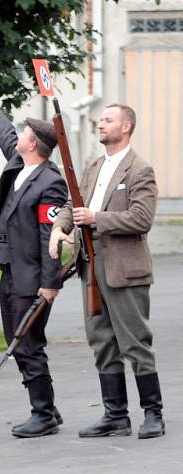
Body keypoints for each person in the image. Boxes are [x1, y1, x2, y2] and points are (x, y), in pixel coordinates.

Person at [49, 103, 164, 439]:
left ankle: (153, 413)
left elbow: (142, 219)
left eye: (108, 120)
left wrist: (96, 218)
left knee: (135, 342)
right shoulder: (93, 165)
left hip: (125, 268)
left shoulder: (139, 169)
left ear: (126, 126)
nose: (101, 125)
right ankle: (115, 415)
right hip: (91, 266)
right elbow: (74, 204)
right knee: (101, 341)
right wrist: (60, 228)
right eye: (100, 120)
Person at [0, 88, 68, 438]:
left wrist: (50, 283)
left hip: (32, 277)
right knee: (17, 341)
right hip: (10, 270)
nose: (18, 137)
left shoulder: (51, 182)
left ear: (34, 145)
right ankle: (49, 407)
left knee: (27, 343)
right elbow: (4, 133)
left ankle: (42, 413)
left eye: (24, 135)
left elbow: (50, 238)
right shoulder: (19, 165)